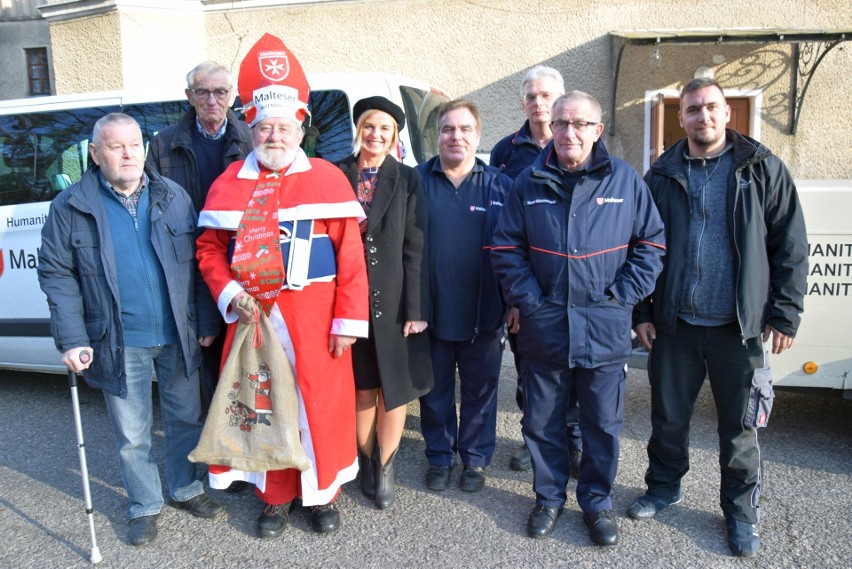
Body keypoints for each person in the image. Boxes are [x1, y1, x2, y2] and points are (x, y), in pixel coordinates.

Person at [195, 33, 368, 539]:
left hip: (315, 317)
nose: (274, 136)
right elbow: (208, 250)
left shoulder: (329, 180)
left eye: (284, 127)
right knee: (262, 405)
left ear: (300, 128)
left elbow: (351, 258)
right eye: (265, 127)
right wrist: (229, 294)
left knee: (317, 407)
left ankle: (321, 495)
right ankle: (274, 498)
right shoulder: (228, 182)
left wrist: (346, 322)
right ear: (249, 127)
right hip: (253, 318)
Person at [628, 77, 808, 558]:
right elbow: (644, 246)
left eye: (711, 108)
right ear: (680, 117)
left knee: (740, 430)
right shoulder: (661, 174)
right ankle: (664, 487)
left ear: (728, 114)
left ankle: (741, 514)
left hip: (737, 329)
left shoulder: (761, 169)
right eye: (692, 110)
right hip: (676, 327)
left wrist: (784, 313)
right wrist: (642, 309)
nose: (702, 117)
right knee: (668, 420)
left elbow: (789, 246)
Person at [37, 113, 224, 547]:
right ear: (95, 153)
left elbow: (198, 265)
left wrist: (206, 320)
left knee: (185, 417)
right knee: (132, 432)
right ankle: (144, 503)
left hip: (179, 332)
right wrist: (73, 338)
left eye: (135, 145)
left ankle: (185, 487)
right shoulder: (71, 207)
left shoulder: (172, 195)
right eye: (116, 146)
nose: (128, 154)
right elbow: (57, 274)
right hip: (117, 339)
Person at [492, 91, 665, 546]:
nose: (570, 132)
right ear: (552, 127)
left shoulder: (625, 182)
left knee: (602, 426)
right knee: (542, 422)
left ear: (597, 130)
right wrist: (530, 301)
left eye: (581, 124)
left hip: (604, 331)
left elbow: (651, 245)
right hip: (544, 328)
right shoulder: (528, 182)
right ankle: (548, 498)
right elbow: (506, 248)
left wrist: (621, 298)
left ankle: (597, 503)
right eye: (562, 123)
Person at [336, 96, 433, 510]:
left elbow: (416, 247)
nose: (376, 135)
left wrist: (416, 310)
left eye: (386, 129)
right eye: (370, 126)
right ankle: (367, 459)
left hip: (394, 303)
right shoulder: (336, 173)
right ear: (359, 129)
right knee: (362, 390)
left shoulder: (408, 179)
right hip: (347, 299)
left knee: (394, 390)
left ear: (395, 137)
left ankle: (388, 464)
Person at [146, 60, 253, 418]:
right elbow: (155, 215)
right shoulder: (163, 146)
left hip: (244, 266)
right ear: (189, 96)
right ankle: (218, 453)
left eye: (220, 92)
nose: (212, 99)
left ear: (231, 96)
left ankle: (251, 447)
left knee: (249, 364)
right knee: (206, 367)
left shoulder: (253, 139)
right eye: (203, 92)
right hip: (189, 270)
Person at [416, 99, 512, 494]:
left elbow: (516, 251)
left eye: (465, 129)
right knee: (434, 392)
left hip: (483, 314)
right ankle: (440, 456)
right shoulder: (414, 182)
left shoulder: (501, 187)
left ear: (478, 135)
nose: (456, 136)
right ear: (437, 136)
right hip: (429, 313)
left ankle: (474, 459)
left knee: (480, 392)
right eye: (448, 129)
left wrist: (514, 303)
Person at [490, 65, 581, 477]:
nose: (537, 103)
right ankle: (536, 441)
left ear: (560, 101)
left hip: (572, 284)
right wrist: (513, 298)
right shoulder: (505, 152)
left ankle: (573, 443)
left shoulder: (580, 143)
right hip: (525, 288)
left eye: (545, 96)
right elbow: (502, 230)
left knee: (575, 371)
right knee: (530, 373)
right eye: (530, 96)